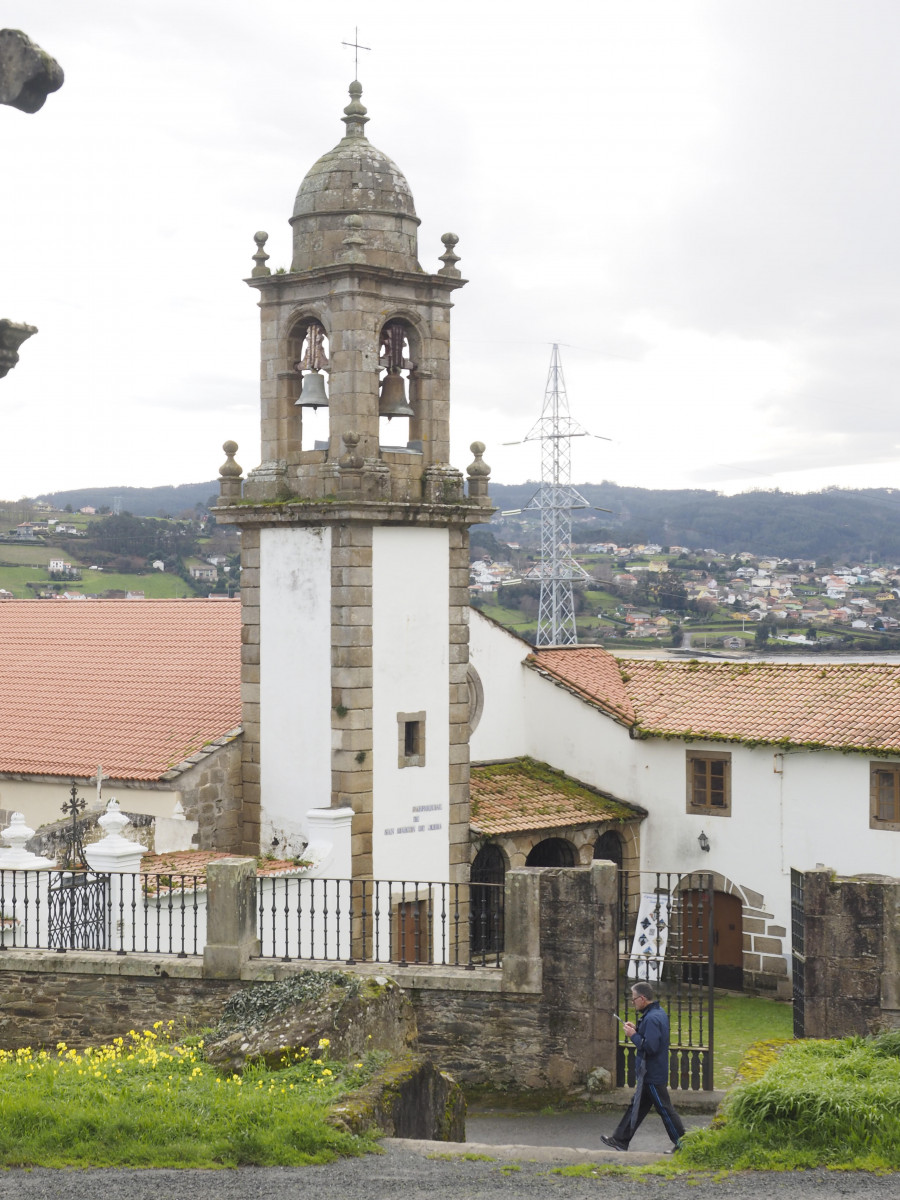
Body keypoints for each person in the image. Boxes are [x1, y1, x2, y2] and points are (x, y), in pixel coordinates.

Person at [601, 981, 686, 1152]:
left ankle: (683, 1144)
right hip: (650, 1073)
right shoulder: (655, 1013)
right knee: (637, 1106)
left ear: (642, 998)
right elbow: (651, 1037)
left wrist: (633, 1035)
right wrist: (637, 1029)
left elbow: (650, 1047)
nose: (632, 1003)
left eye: (633, 999)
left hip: (652, 1074)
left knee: (665, 1109)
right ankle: (620, 1140)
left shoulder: (653, 1018)